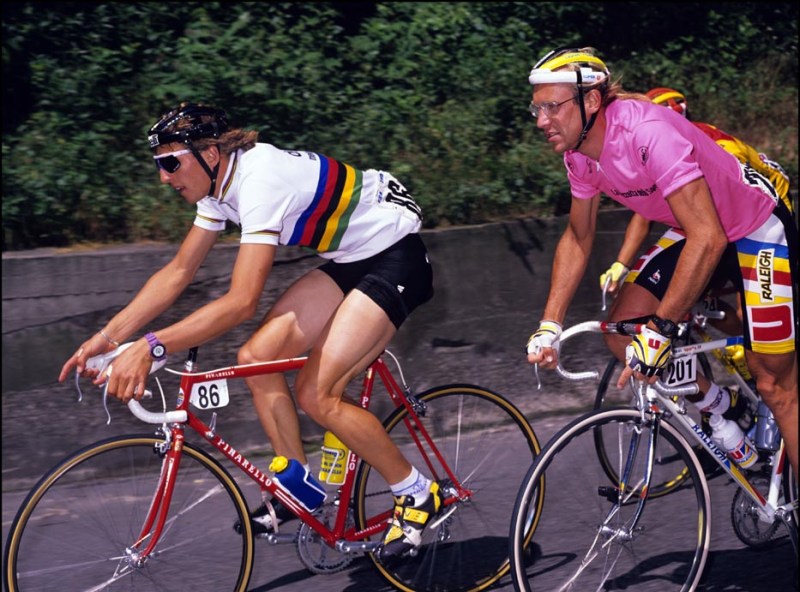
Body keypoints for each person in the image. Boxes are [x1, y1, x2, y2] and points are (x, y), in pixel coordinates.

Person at [58, 102, 442, 559]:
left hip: (396, 257)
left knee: (317, 394)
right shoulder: (217, 187)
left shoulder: (261, 181)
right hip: (351, 260)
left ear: (209, 154)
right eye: (159, 164)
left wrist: (152, 346)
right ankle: (301, 487)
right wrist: (105, 338)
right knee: (257, 358)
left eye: (170, 163)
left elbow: (242, 302)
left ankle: (416, 492)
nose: (163, 177)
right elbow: (179, 272)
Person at [523, 48, 798, 480]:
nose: (541, 121)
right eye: (537, 109)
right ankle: (720, 409)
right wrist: (549, 324)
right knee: (623, 331)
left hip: (756, 228)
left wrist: (662, 329)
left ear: (591, 100)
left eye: (552, 107)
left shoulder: (647, 132)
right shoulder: (578, 155)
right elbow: (578, 236)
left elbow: (709, 237)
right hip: (697, 227)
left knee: (775, 385)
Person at [597, 86, 794, 428]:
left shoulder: (710, 142)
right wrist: (621, 264)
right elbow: (643, 216)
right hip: (714, 221)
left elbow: (725, 210)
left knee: (746, 307)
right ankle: (720, 398)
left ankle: (751, 356)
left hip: (762, 217)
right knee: (690, 296)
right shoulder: (652, 144)